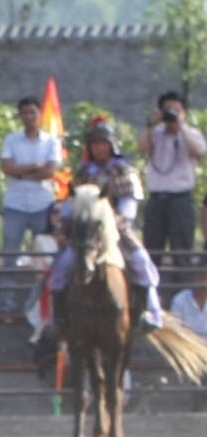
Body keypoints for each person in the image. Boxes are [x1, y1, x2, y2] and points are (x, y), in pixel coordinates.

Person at [48, 118, 164, 334]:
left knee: (141, 261)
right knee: (62, 266)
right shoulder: (84, 173)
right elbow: (71, 204)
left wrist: (115, 223)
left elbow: (129, 204)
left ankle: (151, 312)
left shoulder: (124, 171)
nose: (99, 148)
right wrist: (62, 225)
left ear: (112, 145)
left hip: (117, 230)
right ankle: (57, 318)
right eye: (95, 144)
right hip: (86, 233)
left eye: (103, 143)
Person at [0, 96, 63, 315]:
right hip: (15, 204)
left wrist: (21, 172)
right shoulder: (11, 140)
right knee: (10, 254)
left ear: (39, 115)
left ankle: (47, 301)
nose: (28, 117)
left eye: (32, 112)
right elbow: (6, 168)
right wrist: (33, 168)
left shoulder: (51, 141)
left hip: (43, 204)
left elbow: (49, 172)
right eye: (24, 112)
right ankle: (6, 300)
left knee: (46, 255)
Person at [137, 90, 204, 262]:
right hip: (157, 199)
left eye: (177, 110)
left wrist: (181, 127)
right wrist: (152, 125)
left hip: (181, 200)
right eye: (168, 110)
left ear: (184, 113)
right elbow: (141, 148)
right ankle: (152, 288)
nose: (172, 114)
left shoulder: (192, 134)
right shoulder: (155, 134)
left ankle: (182, 287)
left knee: (182, 251)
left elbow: (200, 151)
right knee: (152, 250)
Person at [170, 253, 207, 339]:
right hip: (187, 348)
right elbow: (175, 331)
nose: (205, 282)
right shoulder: (180, 300)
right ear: (195, 277)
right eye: (202, 277)